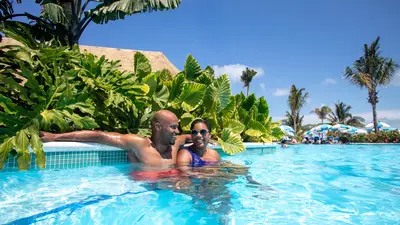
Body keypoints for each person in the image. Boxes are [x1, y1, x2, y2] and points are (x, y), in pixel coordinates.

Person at [40, 110, 191, 167]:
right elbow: (100, 136)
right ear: (158, 127)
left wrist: (203, 136)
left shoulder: (176, 143)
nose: (177, 131)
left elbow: (191, 136)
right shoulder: (139, 144)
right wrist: (54, 137)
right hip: (145, 195)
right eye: (173, 127)